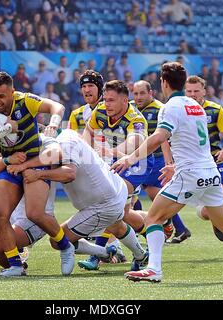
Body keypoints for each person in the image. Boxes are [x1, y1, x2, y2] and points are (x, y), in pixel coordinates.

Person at [113, 62, 223, 283]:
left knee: (153, 218)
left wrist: (130, 157)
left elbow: (159, 137)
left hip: (190, 174)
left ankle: (154, 270)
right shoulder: (196, 106)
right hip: (210, 172)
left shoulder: (169, 107)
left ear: (164, 82)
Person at [3, 129, 148, 272]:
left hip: (102, 205)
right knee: (116, 226)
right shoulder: (67, 135)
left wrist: (38, 174)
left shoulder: (64, 144)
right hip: (116, 189)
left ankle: (103, 253)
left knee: (57, 240)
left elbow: (69, 173)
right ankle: (140, 255)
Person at [0, 72, 73, 277]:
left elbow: (57, 107)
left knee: (34, 213)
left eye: (1, 96)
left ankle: (66, 247)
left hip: (34, 163)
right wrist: (5, 130)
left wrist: (54, 123)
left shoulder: (26, 100)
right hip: (11, 165)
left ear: (12, 92)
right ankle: (16, 266)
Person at [80, 80, 152, 270]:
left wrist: (110, 152)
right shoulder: (101, 110)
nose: (107, 104)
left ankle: (98, 254)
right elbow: (88, 130)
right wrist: (87, 151)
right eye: (105, 99)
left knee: (109, 203)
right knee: (124, 214)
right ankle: (150, 241)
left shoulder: (136, 119)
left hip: (137, 162)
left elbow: (133, 142)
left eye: (112, 100)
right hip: (114, 161)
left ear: (124, 100)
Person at [185, 76, 223, 259]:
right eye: (189, 91)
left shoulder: (215, 110)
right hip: (191, 165)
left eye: (196, 91)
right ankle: (212, 217)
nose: (193, 95)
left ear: (204, 91)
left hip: (216, 162)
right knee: (206, 212)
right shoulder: (179, 110)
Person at [131, 80, 187, 242]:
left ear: (151, 93)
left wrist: (169, 161)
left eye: (142, 93)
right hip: (140, 158)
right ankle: (177, 228)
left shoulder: (160, 109)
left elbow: (163, 138)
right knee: (139, 193)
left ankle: (171, 225)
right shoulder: (131, 107)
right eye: (135, 93)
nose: (139, 97)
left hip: (156, 159)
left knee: (154, 193)